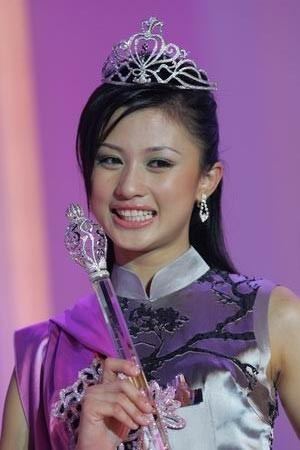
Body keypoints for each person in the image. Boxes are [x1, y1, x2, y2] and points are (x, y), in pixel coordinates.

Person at [1, 16, 300, 450]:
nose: (128, 188)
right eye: (109, 160)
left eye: (158, 163)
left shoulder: (269, 320)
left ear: (207, 180)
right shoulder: (43, 357)